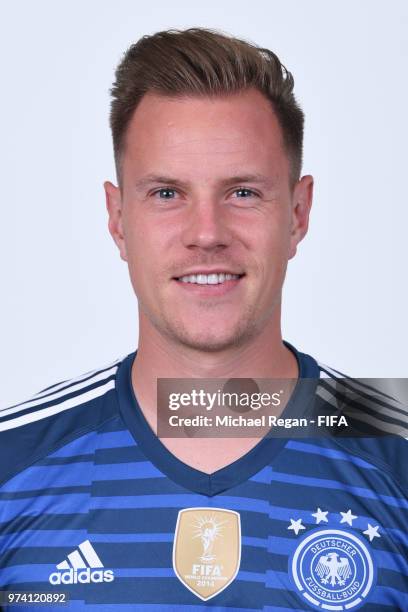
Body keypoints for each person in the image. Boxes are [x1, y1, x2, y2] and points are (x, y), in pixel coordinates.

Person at [0, 28, 407, 611]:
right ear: (118, 219)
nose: (207, 233)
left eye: (242, 192)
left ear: (297, 213)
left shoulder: (394, 455)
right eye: (167, 194)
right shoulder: (13, 468)